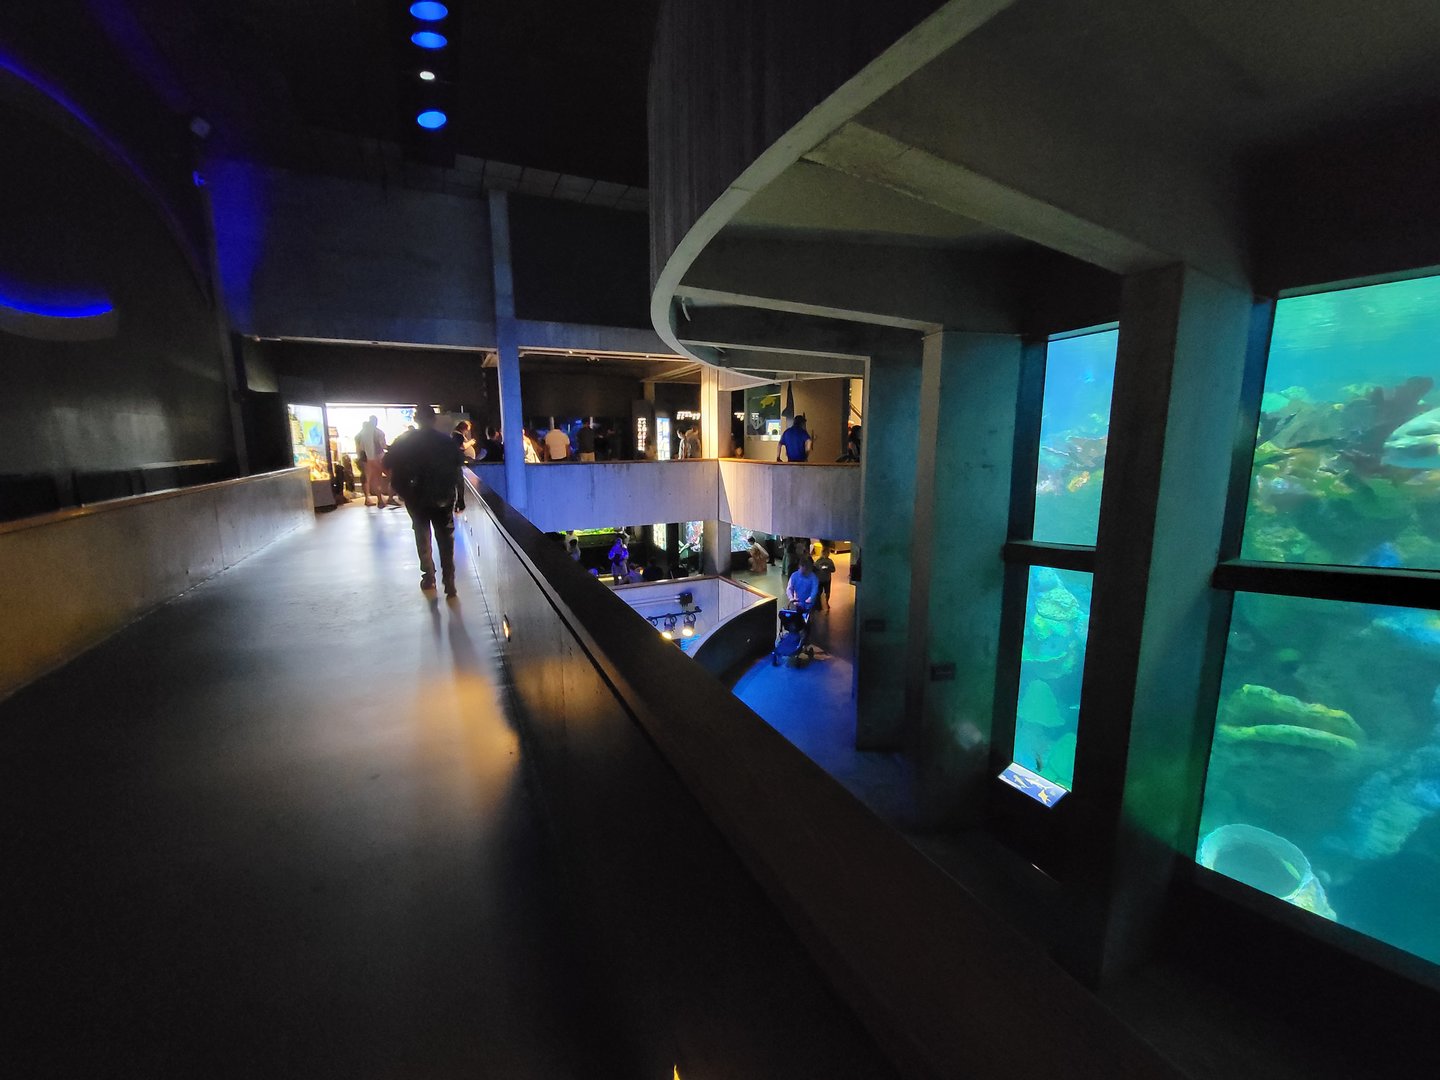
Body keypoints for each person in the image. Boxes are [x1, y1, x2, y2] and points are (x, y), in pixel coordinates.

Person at [384, 405, 466, 596]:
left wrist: (402, 489)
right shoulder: (446, 442)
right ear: (433, 419)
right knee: (445, 538)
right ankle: (450, 580)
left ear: (416, 419)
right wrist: (460, 498)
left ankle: (428, 576)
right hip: (443, 497)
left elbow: (387, 464)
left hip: (416, 498)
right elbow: (457, 471)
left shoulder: (404, 441)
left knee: (422, 535)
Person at [355, 415, 389, 506]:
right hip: (376, 458)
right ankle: (381, 499)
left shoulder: (361, 434)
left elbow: (360, 447)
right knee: (378, 478)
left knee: (367, 479)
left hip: (364, 458)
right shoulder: (378, 432)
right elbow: (383, 445)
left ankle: (368, 498)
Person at [813, 545, 837, 611]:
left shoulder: (830, 561)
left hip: (827, 580)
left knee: (827, 592)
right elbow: (814, 569)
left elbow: (833, 569)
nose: (826, 554)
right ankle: (819, 604)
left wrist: (828, 568)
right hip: (820, 580)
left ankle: (826, 602)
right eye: (825, 553)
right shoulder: (818, 561)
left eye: (827, 553)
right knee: (819, 592)